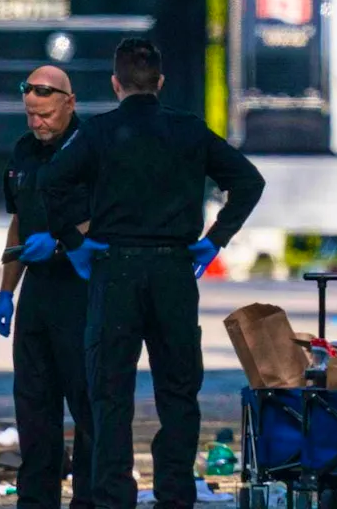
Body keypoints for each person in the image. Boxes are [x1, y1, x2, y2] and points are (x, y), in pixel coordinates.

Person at [38, 38, 266, 508]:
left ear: (115, 83)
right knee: (179, 391)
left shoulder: (100, 132)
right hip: (173, 271)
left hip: (115, 269)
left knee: (110, 393)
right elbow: (248, 181)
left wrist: (76, 243)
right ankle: (175, 492)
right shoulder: (189, 131)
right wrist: (215, 238)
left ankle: (113, 494)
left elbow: (52, 181)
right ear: (160, 84)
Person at [0, 66, 95, 509]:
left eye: (46, 115)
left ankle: (89, 500)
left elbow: (109, 217)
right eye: (31, 115)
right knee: (34, 408)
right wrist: (5, 292)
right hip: (37, 294)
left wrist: (61, 244)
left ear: (69, 104)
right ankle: (36, 501)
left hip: (83, 291)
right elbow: (18, 221)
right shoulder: (23, 152)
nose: (38, 124)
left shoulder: (94, 148)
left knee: (88, 408)